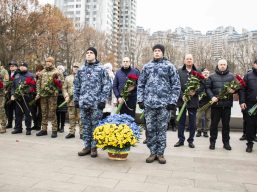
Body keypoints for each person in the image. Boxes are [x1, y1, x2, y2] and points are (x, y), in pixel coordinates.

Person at [137, 44, 180, 164]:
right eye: (155, 51)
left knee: (161, 130)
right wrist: (140, 100)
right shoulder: (147, 66)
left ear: (163, 53)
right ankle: (152, 152)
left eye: (159, 51)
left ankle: (160, 153)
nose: (157, 52)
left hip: (164, 105)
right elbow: (140, 84)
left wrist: (172, 102)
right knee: (150, 129)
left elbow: (176, 85)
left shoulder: (169, 66)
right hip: (149, 104)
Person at [74, 47, 112, 158]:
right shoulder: (81, 70)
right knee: (85, 125)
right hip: (84, 102)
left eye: (91, 53)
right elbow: (76, 85)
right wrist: (76, 99)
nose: (89, 54)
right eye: (87, 53)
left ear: (95, 55)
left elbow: (107, 85)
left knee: (95, 126)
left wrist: (102, 100)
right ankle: (87, 146)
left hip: (96, 104)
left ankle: (94, 147)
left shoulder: (101, 69)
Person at [206, 59, 235, 150]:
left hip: (227, 105)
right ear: (217, 66)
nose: (222, 66)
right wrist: (212, 97)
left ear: (226, 66)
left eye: (224, 64)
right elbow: (207, 88)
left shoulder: (231, 77)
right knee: (214, 125)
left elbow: (237, 88)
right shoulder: (212, 77)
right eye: (221, 64)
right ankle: (212, 142)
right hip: (216, 105)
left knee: (226, 125)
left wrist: (234, 90)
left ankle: (226, 143)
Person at [174, 54, 201, 148]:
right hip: (182, 101)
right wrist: (182, 96)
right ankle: (181, 140)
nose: (189, 60)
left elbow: (202, 86)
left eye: (190, 59)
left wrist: (195, 92)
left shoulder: (198, 72)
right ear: (184, 61)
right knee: (181, 122)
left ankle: (191, 140)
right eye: (187, 59)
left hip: (193, 101)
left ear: (193, 60)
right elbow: (176, 85)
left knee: (192, 122)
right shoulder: (179, 72)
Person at [36, 57, 64, 138]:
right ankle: (44, 129)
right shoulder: (42, 72)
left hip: (52, 95)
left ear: (52, 62)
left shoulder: (57, 72)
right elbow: (38, 83)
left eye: (49, 61)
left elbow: (61, 83)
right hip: (43, 95)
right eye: (46, 61)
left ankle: (54, 130)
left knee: (52, 113)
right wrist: (38, 92)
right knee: (44, 112)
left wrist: (56, 84)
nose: (47, 63)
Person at [11, 62, 36, 135]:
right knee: (18, 114)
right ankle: (18, 128)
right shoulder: (17, 75)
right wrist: (12, 94)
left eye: (23, 66)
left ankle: (28, 129)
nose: (21, 67)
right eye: (21, 66)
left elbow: (33, 87)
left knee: (27, 114)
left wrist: (26, 91)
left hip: (27, 97)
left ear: (26, 67)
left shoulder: (30, 75)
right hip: (17, 98)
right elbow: (13, 86)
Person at [239, 59, 257, 152]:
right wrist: (242, 101)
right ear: (254, 65)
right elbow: (242, 90)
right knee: (250, 124)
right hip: (250, 104)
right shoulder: (248, 76)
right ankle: (249, 143)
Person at [62, 62, 83, 139]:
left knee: (81, 117)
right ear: (72, 68)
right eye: (74, 67)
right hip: (70, 101)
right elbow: (64, 88)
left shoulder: (82, 77)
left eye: (77, 67)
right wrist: (66, 95)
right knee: (71, 117)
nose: (76, 68)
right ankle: (71, 132)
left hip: (80, 101)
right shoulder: (68, 78)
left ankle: (82, 133)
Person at [196, 68, 211, 137]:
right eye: (204, 72)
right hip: (200, 102)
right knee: (198, 117)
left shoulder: (211, 81)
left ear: (209, 74)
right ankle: (199, 130)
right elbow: (196, 90)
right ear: (202, 74)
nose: (205, 74)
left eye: (207, 73)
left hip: (209, 102)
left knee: (208, 117)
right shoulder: (198, 81)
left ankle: (205, 131)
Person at [5, 60, 18, 129]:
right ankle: (9, 123)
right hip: (8, 94)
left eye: (12, 66)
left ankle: (17, 125)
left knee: (16, 110)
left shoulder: (18, 73)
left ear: (16, 67)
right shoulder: (8, 73)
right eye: (10, 66)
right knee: (9, 109)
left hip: (16, 93)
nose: (11, 67)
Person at [56, 65, 67, 133]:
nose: (59, 70)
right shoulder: (55, 77)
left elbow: (66, 87)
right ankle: (57, 126)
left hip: (63, 97)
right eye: (58, 69)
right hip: (56, 97)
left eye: (61, 69)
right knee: (57, 112)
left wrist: (64, 94)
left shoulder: (66, 77)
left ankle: (62, 126)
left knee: (63, 112)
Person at [0, 62, 9, 134]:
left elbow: (7, 81)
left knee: (1, 109)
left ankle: (3, 126)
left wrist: (1, 84)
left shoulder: (3, 71)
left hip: (1, 94)